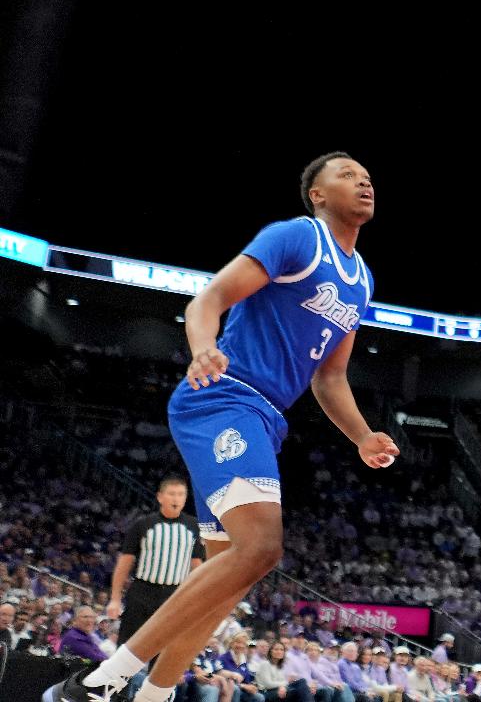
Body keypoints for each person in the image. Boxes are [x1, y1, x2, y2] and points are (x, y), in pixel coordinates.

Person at [61, 154, 398, 702]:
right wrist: (201, 349)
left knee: (231, 574)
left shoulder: (362, 279)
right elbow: (209, 298)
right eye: (346, 174)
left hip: (265, 418)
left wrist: (361, 435)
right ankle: (105, 678)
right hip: (221, 397)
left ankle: (155, 694)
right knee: (262, 547)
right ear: (316, 193)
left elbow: (330, 377)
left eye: (367, 174)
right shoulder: (296, 237)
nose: (364, 180)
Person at [110, 477, 206, 647]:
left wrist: (198, 599)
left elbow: (197, 566)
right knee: (127, 645)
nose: (176, 499)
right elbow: (124, 563)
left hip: (175, 594)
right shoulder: (143, 524)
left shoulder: (194, 527)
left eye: (180, 494)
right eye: (171, 494)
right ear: (160, 497)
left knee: (163, 647)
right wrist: (115, 599)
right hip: (142, 591)